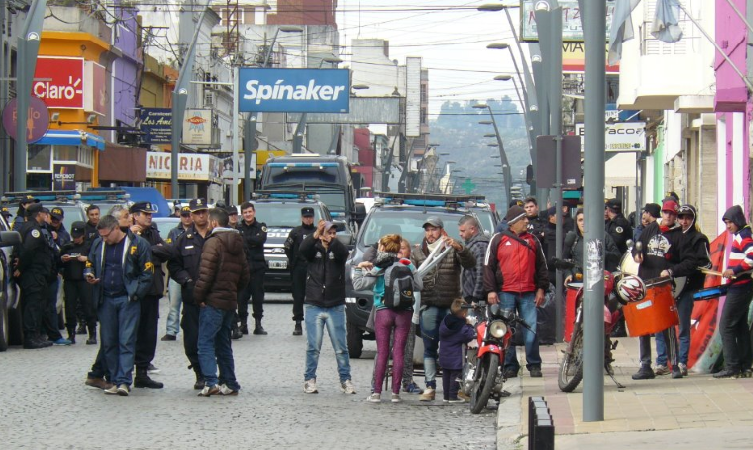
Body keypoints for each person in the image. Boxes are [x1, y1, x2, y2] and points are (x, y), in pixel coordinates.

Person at [85, 215, 153, 396]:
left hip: (127, 298)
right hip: (105, 298)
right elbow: (89, 262)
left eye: (107, 235)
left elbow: (147, 273)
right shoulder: (99, 244)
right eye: (102, 236)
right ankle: (114, 379)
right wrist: (89, 274)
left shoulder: (137, 244)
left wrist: (136, 293)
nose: (104, 239)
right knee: (108, 341)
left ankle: (124, 381)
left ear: (116, 229)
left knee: (126, 340)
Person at [411, 216, 475, 401]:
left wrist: (460, 248)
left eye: (434, 229)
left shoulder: (450, 249)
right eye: (428, 230)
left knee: (455, 347)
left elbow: (470, 263)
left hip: (450, 308)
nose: (430, 234)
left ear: (441, 230)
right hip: (429, 305)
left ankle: (457, 386)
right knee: (429, 348)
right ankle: (430, 386)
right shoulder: (418, 253)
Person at [353, 234, 422, 403]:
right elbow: (419, 286)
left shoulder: (379, 267)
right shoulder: (408, 264)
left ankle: (376, 393)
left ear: (383, 248)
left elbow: (359, 285)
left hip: (383, 311)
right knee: (399, 352)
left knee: (383, 352)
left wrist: (358, 268)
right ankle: (396, 394)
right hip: (404, 312)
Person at [483, 205, 548, 378]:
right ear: (513, 223)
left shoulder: (533, 241)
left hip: (528, 293)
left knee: (531, 330)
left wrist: (541, 288)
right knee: (506, 331)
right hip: (505, 293)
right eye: (523, 219)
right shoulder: (498, 240)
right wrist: (491, 290)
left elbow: (542, 267)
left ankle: (534, 364)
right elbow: (488, 267)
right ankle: (510, 365)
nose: (527, 221)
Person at [193, 208, 250, 396]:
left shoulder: (213, 243)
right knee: (223, 342)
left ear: (214, 223)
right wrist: (232, 291)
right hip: (229, 301)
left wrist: (199, 297)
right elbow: (244, 276)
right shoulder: (237, 243)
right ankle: (230, 382)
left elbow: (205, 274)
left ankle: (211, 382)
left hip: (213, 301)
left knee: (205, 342)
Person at [299, 220, 356, 395]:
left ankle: (345, 380)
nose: (331, 236)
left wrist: (331, 242)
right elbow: (302, 250)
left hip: (335, 304)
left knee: (340, 347)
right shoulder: (313, 248)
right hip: (314, 303)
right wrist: (316, 234)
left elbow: (343, 253)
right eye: (328, 232)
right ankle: (309, 379)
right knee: (313, 346)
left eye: (333, 233)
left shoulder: (337, 249)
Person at [631, 199, 684, 380]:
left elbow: (684, 261)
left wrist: (670, 270)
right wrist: (637, 255)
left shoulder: (678, 235)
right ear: (662, 213)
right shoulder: (651, 229)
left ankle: (674, 364)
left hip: (663, 285)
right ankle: (645, 365)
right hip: (646, 281)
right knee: (644, 324)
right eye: (666, 212)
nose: (668, 216)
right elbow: (637, 245)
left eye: (672, 214)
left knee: (667, 324)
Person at [657, 204, 709, 377]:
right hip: (668, 287)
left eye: (688, 217)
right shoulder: (671, 236)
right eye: (681, 217)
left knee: (683, 326)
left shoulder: (698, 238)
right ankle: (662, 361)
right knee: (662, 325)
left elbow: (706, 263)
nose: (684, 221)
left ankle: (682, 362)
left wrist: (690, 266)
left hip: (687, 288)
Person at [168, 198, 212, 390]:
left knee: (215, 337)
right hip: (192, 297)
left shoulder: (216, 236)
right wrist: (186, 280)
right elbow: (174, 265)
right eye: (197, 212)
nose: (200, 215)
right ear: (191, 215)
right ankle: (199, 372)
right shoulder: (183, 239)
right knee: (192, 337)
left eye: (203, 211)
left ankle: (213, 372)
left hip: (214, 297)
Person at [129, 202, 170, 389]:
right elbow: (131, 259)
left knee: (149, 333)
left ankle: (143, 372)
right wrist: (151, 250)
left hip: (152, 290)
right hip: (135, 291)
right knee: (130, 332)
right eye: (145, 214)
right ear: (135, 216)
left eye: (150, 214)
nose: (149, 217)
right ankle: (123, 371)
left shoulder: (153, 232)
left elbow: (165, 252)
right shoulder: (127, 234)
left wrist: (147, 249)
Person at [715, 205, 753, 378]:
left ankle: (732, 366)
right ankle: (745, 366)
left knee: (726, 326)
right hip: (742, 286)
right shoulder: (741, 234)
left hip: (740, 286)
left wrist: (734, 270)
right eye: (726, 223)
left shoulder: (744, 235)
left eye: (730, 222)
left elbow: (752, 257)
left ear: (738, 221)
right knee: (740, 327)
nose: (728, 226)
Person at [17, 203, 57, 349]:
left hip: (34, 273)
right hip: (34, 273)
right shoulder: (34, 230)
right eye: (44, 213)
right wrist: (20, 267)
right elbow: (28, 250)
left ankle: (35, 335)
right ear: (39, 214)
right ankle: (30, 337)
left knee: (36, 304)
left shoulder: (27, 227)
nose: (46, 216)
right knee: (33, 304)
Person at [60, 221, 96, 345]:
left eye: (78, 236)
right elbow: (57, 262)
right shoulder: (67, 247)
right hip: (70, 280)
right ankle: (71, 334)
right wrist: (63, 259)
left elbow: (97, 260)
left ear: (83, 235)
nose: (76, 239)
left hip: (85, 280)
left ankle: (92, 334)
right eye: (74, 237)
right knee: (70, 307)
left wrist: (87, 259)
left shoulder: (89, 246)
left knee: (88, 307)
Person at [562, 209, 621, 282]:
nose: (583, 223)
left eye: (586, 220)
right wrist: (568, 274)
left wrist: (603, 253)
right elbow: (564, 260)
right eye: (580, 220)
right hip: (578, 281)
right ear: (576, 222)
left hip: (600, 283)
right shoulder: (572, 237)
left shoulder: (603, 236)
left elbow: (617, 256)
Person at [284, 206, 317, 336]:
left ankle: (313, 322)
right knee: (298, 296)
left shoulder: (317, 232)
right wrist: (293, 261)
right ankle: (298, 322)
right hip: (299, 268)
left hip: (313, 268)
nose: (308, 219)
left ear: (313, 218)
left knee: (314, 296)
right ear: (302, 218)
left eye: (310, 217)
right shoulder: (296, 232)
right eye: (305, 217)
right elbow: (287, 247)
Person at [162, 206, 193, 341]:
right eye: (184, 215)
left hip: (192, 272)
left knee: (191, 305)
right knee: (174, 304)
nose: (187, 218)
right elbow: (170, 249)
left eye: (188, 215)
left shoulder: (196, 231)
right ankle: (171, 331)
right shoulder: (174, 232)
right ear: (180, 216)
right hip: (177, 273)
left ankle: (190, 328)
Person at [237, 201, 268, 335]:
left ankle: (258, 324)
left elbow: (260, 239)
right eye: (245, 213)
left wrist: (245, 239)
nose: (248, 214)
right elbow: (240, 242)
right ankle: (243, 324)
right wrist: (251, 240)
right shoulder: (238, 228)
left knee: (258, 296)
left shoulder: (261, 227)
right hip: (243, 268)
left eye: (250, 212)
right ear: (242, 214)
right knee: (242, 297)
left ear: (254, 212)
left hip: (257, 268)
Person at [439, 298, 476, 403]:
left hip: (444, 354)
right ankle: (452, 396)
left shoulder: (445, 321)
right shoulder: (461, 325)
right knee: (455, 377)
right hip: (456, 356)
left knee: (446, 375)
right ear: (464, 313)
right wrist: (469, 325)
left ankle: (446, 396)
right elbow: (468, 336)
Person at [458, 215, 489, 305]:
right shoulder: (470, 244)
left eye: (463, 231)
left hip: (476, 299)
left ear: (472, 229)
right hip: (469, 296)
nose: (460, 234)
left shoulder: (480, 245)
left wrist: (476, 298)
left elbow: (482, 273)